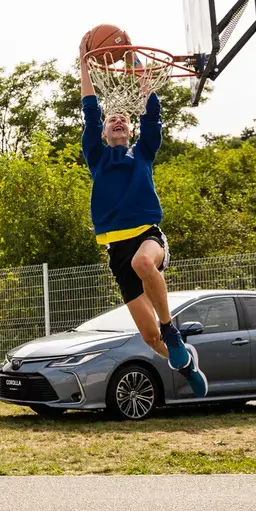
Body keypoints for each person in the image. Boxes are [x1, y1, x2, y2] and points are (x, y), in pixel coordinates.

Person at [78, 33, 207, 395]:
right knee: (149, 338)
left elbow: (152, 109)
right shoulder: (97, 156)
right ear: (102, 131)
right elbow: (89, 107)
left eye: (123, 118)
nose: (117, 119)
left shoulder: (144, 152)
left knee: (143, 264)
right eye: (111, 119)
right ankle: (184, 361)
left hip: (148, 237)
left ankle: (171, 328)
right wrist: (82, 61)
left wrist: (134, 61)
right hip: (117, 252)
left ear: (131, 130)